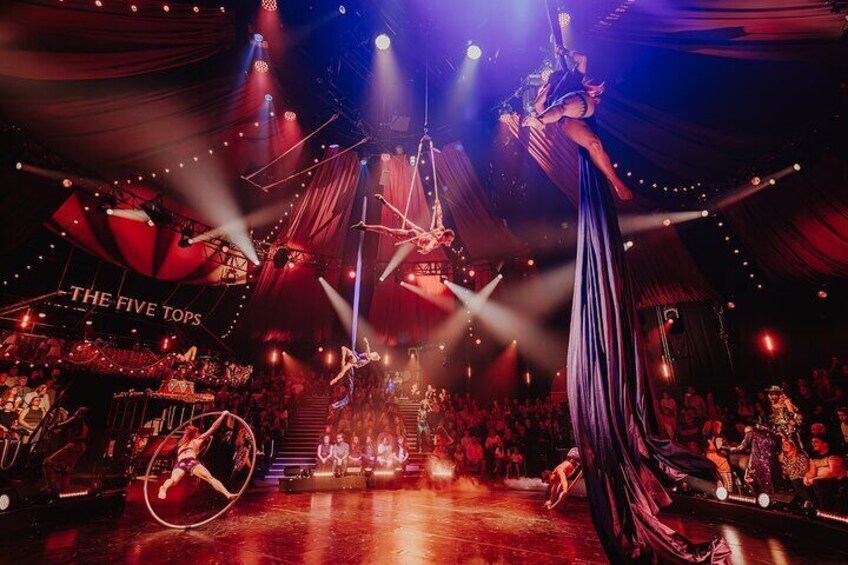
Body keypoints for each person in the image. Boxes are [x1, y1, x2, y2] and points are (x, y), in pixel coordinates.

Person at [522, 43, 632, 201]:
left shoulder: (571, 77)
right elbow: (538, 104)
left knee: (561, 105)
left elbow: (583, 59)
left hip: (578, 102)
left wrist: (563, 51)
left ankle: (540, 121)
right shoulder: (549, 98)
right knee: (594, 144)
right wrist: (547, 88)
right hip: (565, 119)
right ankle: (616, 183)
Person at [158, 412, 238, 501]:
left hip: (181, 463)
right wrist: (223, 415)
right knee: (210, 479)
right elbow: (213, 427)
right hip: (191, 461)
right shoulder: (197, 440)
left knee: (173, 480)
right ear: (195, 434)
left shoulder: (181, 444)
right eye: (198, 433)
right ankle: (227, 494)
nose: (199, 434)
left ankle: (164, 487)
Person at [351, 194, 455, 255]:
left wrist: (438, 205)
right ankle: (364, 227)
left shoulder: (441, 229)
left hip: (420, 232)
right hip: (414, 236)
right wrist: (425, 250)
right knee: (388, 231)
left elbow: (440, 216)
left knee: (400, 216)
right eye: (449, 240)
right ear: (445, 237)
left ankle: (384, 201)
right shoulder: (436, 242)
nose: (449, 243)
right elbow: (430, 246)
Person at [43, 407, 89, 493]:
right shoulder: (84, 424)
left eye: (79, 410)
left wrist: (51, 426)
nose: (76, 411)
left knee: (47, 463)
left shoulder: (75, 419)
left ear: (80, 413)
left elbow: (61, 424)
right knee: (66, 469)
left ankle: (51, 488)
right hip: (81, 446)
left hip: (74, 445)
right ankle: (63, 491)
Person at [804, 435, 847, 511]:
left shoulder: (833, 455)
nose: (813, 444)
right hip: (820, 480)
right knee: (806, 483)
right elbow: (812, 472)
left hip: (836, 480)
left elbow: (833, 473)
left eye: (816, 442)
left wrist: (814, 479)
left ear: (825, 444)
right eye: (812, 442)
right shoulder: (814, 457)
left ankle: (825, 508)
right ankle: (815, 507)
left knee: (817, 482)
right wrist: (806, 477)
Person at [778, 437, 812, 508]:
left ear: (793, 446)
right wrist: (784, 472)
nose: (784, 446)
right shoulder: (782, 457)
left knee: (796, 481)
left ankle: (809, 501)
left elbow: (804, 469)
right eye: (783, 444)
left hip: (800, 477)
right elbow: (784, 470)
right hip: (789, 478)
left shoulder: (800, 456)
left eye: (787, 444)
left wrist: (793, 472)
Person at [703, 421, 733, 492]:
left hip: (712, 461)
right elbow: (721, 449)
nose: (721, 429)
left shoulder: (707, 439)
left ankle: (722, 496)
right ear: (715, 428)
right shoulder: (717, 438)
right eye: (720, 427)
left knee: (720, 483)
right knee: (728, 483)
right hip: (720, 461)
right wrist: (729, 448)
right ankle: (728, 496)